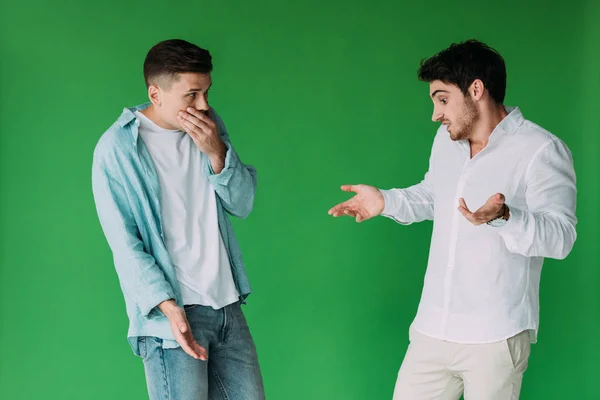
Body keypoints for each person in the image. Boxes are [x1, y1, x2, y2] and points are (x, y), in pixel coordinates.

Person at [328, 39, 577, 400]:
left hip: (495, 337)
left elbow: (562, 237)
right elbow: (434, 195)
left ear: (476, 89)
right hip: (432, 329)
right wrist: (386, 200)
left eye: (442, 99)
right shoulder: (446, 141)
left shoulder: (540, 149)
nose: (435, 114)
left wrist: (506, 216)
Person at [91, 39, 265, 400]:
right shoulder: (118, 148)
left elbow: (243, 203)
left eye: (206, 93)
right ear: (156, 93)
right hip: (173, 316)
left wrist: (217, 152)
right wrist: (167, 307)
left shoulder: (209, 127)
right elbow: (125, 243)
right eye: (192, 94)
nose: (203, 105)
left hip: (226, 307)